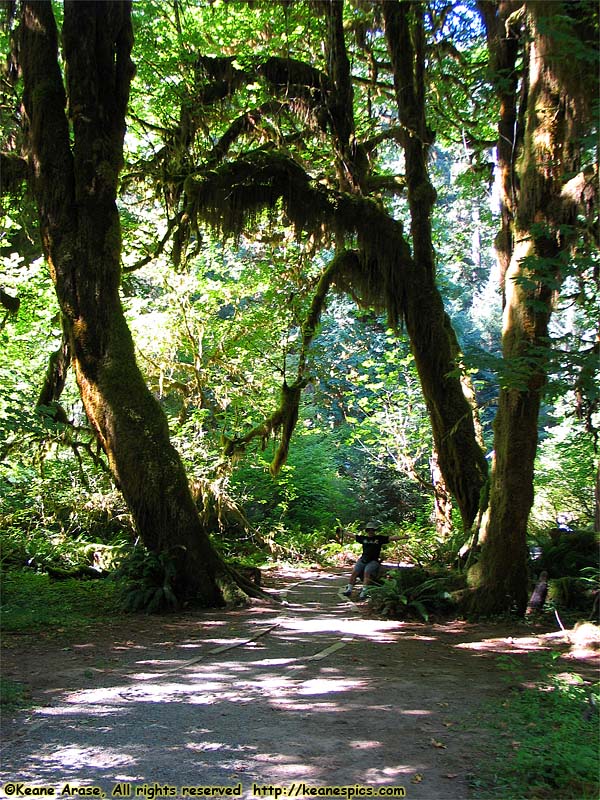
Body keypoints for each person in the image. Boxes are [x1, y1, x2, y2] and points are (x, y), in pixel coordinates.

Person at [338, 521, 404, 600]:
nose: (370, 531)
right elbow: (353, 536)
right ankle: (349, 589)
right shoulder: (364, 538)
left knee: (367, 572)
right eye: (369, 530)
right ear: (367, 531)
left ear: (374, 530)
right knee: (355, 572)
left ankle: (364, 592)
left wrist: (403, 537)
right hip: (363, 559)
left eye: (372, 530)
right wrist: (343, 532)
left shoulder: (379, 538)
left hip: (373, 560)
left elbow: (391, 538)